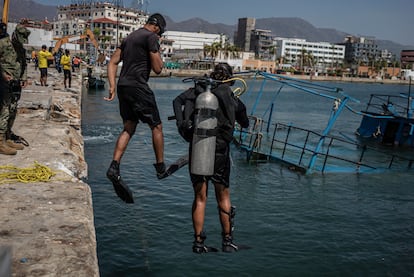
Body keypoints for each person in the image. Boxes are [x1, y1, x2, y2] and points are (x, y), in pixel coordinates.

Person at [172, 63, 250, 253]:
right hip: (219, 152)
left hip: (198, 147)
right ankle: (227, 242)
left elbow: (176, 101)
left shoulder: (198, 90)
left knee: (200, 197)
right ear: (230, 79)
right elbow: (245, 122)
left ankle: (198, 244)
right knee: (223, 196)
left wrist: (182, 125)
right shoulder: (230, 97)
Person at [104, 13, 167, 201]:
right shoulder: (151, 37)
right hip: (138, 86)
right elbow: (158, 68)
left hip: (123, 86)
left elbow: (113, 62)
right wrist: (157, 47)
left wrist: (112, 85)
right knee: (156, 126)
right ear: (157, 27)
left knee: (129, 127)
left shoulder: (129, 37)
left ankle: (114, 166)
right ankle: (160, 166)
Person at [0, 23, 31, 155]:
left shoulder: (21, 49)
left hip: (16, 83)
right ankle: (0, 141)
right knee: (4, 110)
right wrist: (2, 74)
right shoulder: (3, 44)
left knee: (13, 109)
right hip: (3, 83)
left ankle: (7, 136)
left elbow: (24, 64)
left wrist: (24, 78)